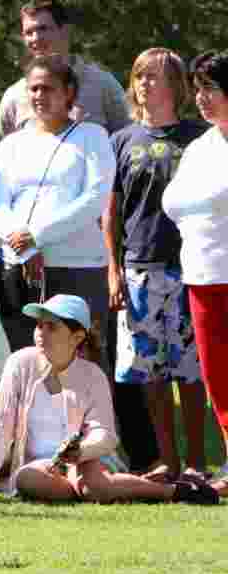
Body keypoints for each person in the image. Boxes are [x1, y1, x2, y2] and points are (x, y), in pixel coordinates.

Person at [0, 295, 218, 504]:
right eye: (39, 325)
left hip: (87, 459)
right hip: (39, 468)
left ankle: (172, 491)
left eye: (51, 326)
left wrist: (79, 452)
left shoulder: (93, 376)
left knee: (92, 484)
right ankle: (110, 489)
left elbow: (105, 435)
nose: (40, 333)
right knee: (30, 480)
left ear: (77, 337)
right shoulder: (19, 364)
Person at [104, 48, 208, 482]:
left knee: (192, 369)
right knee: (151, 372)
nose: (146, 84)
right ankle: (167, 459)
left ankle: (198, 462)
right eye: (140, 76)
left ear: (177, 87)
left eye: (157, 77)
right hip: (139, 267)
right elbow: (111, 214)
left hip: (192, 266)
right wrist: (114, 269)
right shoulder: (121, 141)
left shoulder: (200, 138)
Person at [0, 55, 115, 364]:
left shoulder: (93, 137)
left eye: (48, 88)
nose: (38, 96)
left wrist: (37, 235)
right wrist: (25, 247)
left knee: (83, 365)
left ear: (69, 92)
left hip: (76, 268)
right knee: (28, 363)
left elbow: (94, 199)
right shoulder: (11, 144)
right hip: (17, 266)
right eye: (33, 89)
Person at [162, 50, 228, 484]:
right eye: (198, 89)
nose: (202, 98)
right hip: (201, 278)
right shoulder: (202, 147)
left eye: (212, 88)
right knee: (219, 381)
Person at [0, 0, 131, 153]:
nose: (36, 38)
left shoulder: (102, 85)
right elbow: (1, 160)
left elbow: (131, 145)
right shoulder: (14, 96)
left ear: (64, 30)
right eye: (29, 33)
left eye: (43, 29)